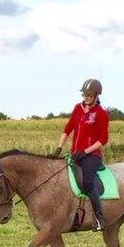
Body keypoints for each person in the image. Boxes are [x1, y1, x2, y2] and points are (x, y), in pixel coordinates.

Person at [53, 78, 109, 231]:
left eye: (90, 95)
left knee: (87, 183)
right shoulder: (78, 108)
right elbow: (68, 128)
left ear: (97, 95)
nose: (86, 98)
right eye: (84, 95)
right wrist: (59, 147)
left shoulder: (101, 113)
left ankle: (99, 218)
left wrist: (85, 152)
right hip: (75, 154)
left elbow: (102, 139)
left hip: (92, 156)